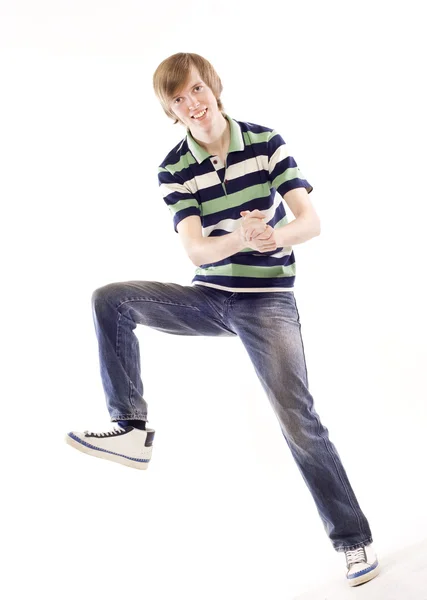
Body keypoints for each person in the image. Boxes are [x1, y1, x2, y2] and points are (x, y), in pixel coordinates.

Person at [65, 52, 379, 587]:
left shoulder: (264, 141)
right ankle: (132, 427)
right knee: (109, 299)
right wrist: (240, 238)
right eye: (178, 100)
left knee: (297, 421)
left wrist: (272, 237)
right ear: (170, 109)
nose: (191, 104)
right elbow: (194, 251)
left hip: (267, 301)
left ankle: (354, 541)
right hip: (209, 298)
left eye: (195, 91)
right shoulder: (174, 168)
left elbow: (310, 222)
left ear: (213, 86)